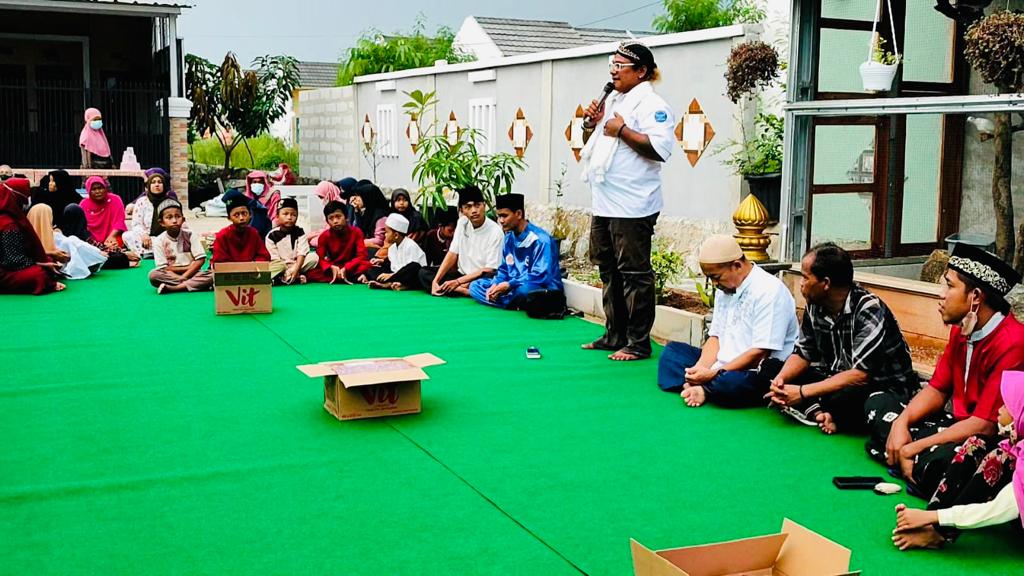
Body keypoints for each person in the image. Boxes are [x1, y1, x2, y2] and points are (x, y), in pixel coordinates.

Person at [866, 243, 1024, 497]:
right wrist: (902, 423)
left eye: (950, 286)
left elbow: (984, 425)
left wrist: (914, 446)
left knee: (951, 460)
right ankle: (914, 460)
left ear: (975, 297)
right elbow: (938, 388)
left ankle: (913, 460)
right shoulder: (962, 329)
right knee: (877, 403)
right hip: (953, 427)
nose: (941, 294)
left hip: (985, 438)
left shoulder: (1014, 343)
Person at [579, 41, 676, 361]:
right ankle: (614, 334)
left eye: (620, 65)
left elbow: (659, 149)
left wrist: (621, 130)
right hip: (604, 200)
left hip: (633, 204)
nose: (613, 70)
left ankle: (638, 341)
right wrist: (591, 124)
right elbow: (591, 144)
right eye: (612, 63)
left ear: (641, 71)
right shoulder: (615, 99)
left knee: (634, 273)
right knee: (607, 269)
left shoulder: (652, 105)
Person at [767, 243, 918, 434]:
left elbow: (860, 375)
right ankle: (819, 412)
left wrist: (802, 392)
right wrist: (780, 381)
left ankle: (816, 409)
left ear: (826, 283)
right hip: (834, 378)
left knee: (844, 399)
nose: (801, 283)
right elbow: (803, 354)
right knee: (770, 368)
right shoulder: (814, 304)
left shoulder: (869, 309)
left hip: (879, 387)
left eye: (805, 277)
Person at [658, 235, 798, 408]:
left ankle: (706, 389)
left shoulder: (770, 291)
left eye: (716, 277)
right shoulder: (724, 288)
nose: (714, 283)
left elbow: (759, 353)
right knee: (672, 353)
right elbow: (716, 337)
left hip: (756, 369)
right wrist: (699, 371)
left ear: (737, 265)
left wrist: (713, 374)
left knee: (731, 383)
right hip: (722, 366)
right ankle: (699, 387)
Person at [890, 370, 1023, 550]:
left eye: (1007, 405)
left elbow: (997, 510)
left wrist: (936, 517)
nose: (999, 409)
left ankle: (936, 529)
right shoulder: (1016, 442)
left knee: (998, 459)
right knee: (977, 443)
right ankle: (930, 527)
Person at [468, 193, 564, 315]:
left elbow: (540, 275)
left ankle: (507, 301)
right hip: (511, 287)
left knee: (525, 291)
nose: (501, 221)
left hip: (539, 287)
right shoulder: (508, 238)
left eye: (504, 216)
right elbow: (503, 270)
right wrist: (495, 285)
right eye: (499, 216)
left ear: (518, 214)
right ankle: (509, 301)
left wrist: (509, 284)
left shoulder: (541, 240)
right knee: (475, 286)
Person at [419, 185, 503, 298]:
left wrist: (458, 282)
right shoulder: (462, 222)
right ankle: (458, 290)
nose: (474, 210)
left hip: (479, 279)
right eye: (468, 207)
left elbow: (490, 269)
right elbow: (453, 253)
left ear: (485, 206)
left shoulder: (495, 231)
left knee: (483, 284)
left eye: (477, 205)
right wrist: (435, 281)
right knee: (423, 272)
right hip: (461, 276)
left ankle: (462, 290)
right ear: (461, 210)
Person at [0, 178, 65, 294]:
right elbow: (12, 261)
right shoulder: (7, 224)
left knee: (48, 262)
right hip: (5, 269)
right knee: (38, 275)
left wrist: (45, 259)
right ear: (18, 196)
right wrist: (41, 263)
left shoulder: (11, 218)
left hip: (9, 264)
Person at [149, 199, 213, 294]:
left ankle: (175, 288)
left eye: (177, 216)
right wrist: (183, 274)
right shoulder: (159, 240)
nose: (174, 221)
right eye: (169, 217)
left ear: (183, 220)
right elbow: (164, 268)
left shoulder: (190, 235)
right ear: (161, 222)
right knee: (153, 275)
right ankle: (193, 284)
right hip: (171, 275)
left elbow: (200, 260)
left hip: (193, 272)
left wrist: (185, 275)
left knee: (213, 274)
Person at [27, 203, 105, 280]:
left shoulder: (24, 235)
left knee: (71, 240)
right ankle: (97, 254)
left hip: (42, 265)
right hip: (42, 266)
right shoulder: (54, 235)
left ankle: (97, 254)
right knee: (71, 241)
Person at [78, 176, 140, 269]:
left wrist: (112, 236)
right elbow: (84, 228)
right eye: (94, 189)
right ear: (88, 191)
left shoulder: (115, 199)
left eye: (100, 188)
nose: (98, 191)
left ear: (105, 188)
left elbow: (119, 220)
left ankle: (117, 256)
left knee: (114, 247)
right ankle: (122, 257)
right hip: (92, 240)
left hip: (113, 236)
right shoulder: (83, 204)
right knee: (92, 252)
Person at [307, 201, 371, 284]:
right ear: (327, 221)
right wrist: (330, 267)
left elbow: (362, 255)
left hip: (352, 266)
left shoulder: (357, 232)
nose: (335, 221)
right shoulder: (324, 236)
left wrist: (346, 268)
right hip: (334, 267)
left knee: (368, 266)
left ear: (346, 217)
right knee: (311, 272)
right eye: (331, 218)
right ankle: (352, 277)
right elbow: (320, 258)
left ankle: (341, 276)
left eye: (338, 217)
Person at [361, 213, 426, 291]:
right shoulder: (392, 248)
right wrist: (380, 263)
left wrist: (392, 275)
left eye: (387, 232)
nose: (385, 235)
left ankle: (392, 282)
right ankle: (393, 282)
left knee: (414, 267)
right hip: (395, 275)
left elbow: (413, 269)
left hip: (412, 277)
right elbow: (392, 265)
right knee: (371, 269)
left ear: (396, 235)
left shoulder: (410, 245)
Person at [124, 168, 176, 257]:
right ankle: (154, 252)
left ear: (164, 185)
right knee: (127, 235)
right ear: (148, 186)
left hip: (166, 236)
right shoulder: (142, 201)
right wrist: (144, 235)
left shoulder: (170, 202)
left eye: (159, 182)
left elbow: (176, 222)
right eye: (153, 182)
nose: (157, 185)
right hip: (146, 238)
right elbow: (136, 224)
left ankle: (150, 252)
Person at [266, 197, 318, 285]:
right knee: (276, 266)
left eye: (293, 215)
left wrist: (296, 268)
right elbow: (274, 258)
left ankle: (285, 277)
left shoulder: (300, 232)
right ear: (277, 216)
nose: (289, 217)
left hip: (297, 264)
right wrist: (286, 268)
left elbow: (302, 253)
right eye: (285, 214)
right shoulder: (272, 235)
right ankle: (292, 277)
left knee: (314, 257)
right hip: (281, 265)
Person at [211, 190, 271, 264]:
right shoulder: (222, 235)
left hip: (252, 270)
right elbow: (219, 261)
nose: (241, 218)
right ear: (229, 218)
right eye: (236, 215)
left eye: (244, 213)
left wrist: (253, 264)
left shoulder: (253, 233)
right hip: (230, 272)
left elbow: (264, 256)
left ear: (250, 215)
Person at [348, 181, 389, 249]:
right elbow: (358, 230)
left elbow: (379, 241)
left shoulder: (381, 217)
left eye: (359, 196)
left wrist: (358, 242)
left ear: (367, 198)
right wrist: (356, 211)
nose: (356, 199)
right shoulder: (369, 211)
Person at [308, 180, 344, 249]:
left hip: (338, 235)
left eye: (322, 197)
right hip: (330, 232)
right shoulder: (330, 204)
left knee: (316, 240)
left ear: (329, 193)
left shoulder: (339, 205)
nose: (322, 200)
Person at [244, 171, 278, 235]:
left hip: (269, 228)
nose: (257, 184)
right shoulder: (247, 198)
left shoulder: (273, 195)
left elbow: (275, 214)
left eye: (260, 182)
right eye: (254, 182)